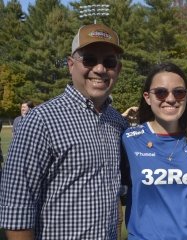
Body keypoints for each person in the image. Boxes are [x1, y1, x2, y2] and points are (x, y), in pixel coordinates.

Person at [0, 23, 128, 240]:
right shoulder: (41, 120)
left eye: (109, 62)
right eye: (89, 59)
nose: (99, 69)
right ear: (71, 64)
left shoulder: (117, 121)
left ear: (118, 69)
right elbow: (17, 207)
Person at [122, 62, 187, 240]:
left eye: (178, 92)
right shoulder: (130, 140)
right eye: (161, 92)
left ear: (186, 98)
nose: (170, 99)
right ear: (147, 97)